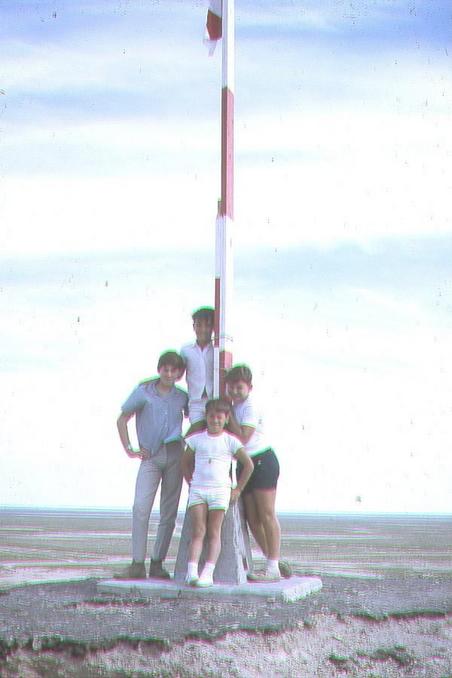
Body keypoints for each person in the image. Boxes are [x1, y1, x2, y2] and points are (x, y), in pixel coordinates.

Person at [115, 350, 188, 580]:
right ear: (159, 369)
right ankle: (137, 564)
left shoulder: (182, 396)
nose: (168, 373)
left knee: (169, 512)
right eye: (165, 368)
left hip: (175, 454)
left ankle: (157, 563)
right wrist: (130, 449)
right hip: (150, 457)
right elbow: (122, 418)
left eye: (173, 370)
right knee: (140, 508)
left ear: (179, 373)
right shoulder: (143, 392)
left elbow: (196, 417)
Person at [225, 364, 291, 581]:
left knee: (267, 514)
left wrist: (229, 416)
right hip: (245, 464)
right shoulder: (234, 406)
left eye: (239, 387)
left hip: (262, 460)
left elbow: (243, 437)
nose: (235, 391)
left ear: (249, 387)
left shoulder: (249, 407)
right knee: (252, 518)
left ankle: (272, 567)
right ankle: (274, 562)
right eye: (231, 387)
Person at [181, 398, 254, 587]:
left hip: (220, 492)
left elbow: (248, 465)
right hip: (198, 490)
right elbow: (184, 462)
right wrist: (191, 482)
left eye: (219, 417)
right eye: (212, 416)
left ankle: (208, 573)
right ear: (206, 417)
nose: (215, 421)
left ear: (226, 418)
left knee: (214, 532)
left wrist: (237, 489)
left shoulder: (231, 441)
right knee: (198, 531)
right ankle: (191, 572)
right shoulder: (196, 439)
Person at [181, 306, 214, 430]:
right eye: (199, 325)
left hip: (215, 400)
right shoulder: (186, 350)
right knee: (195, 435)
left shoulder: (218, 349)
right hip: (195, 402)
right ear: (194, 327)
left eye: (208, 325)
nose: (203, 329)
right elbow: (176, 373)